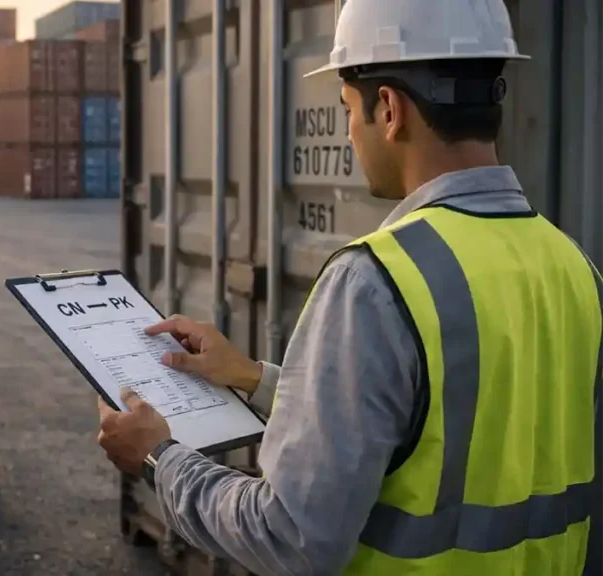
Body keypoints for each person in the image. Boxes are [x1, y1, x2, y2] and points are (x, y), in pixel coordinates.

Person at [96, 0, 603, 574]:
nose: (348, 134)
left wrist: (159, 458)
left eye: (345, 110)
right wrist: (251, 377)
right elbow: (444, 420)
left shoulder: (377, 281)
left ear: (388, 109)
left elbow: (289, 537)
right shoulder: (572, 267)